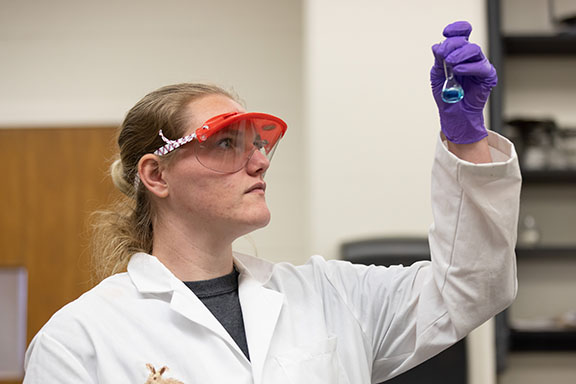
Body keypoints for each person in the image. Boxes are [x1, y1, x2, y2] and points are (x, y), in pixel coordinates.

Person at [23, 21, 521, 384]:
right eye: (225, 144)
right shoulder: (80, 340)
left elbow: (473, 287)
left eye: (259, 145)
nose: (259, 163)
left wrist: (468, 141)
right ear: (156, 174)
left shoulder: (332, 296)